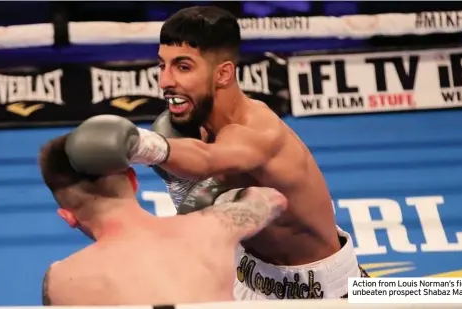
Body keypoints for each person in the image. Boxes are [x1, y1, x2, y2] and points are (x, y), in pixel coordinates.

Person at [64, 5, 368, 301]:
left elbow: (207, 160)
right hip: (247, 276)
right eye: (162, 64)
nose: (165, 81)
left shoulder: (258, 133)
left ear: (223, 74)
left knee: (410, 295)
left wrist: (140, 145)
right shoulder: (193, 126)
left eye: (183, 67)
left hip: (325, 292)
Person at [37, 134, 288, 306]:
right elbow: (272, 200)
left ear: (67, 216)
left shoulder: (60, 281)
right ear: (134, 181)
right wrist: (217, 193)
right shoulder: (210, 228)